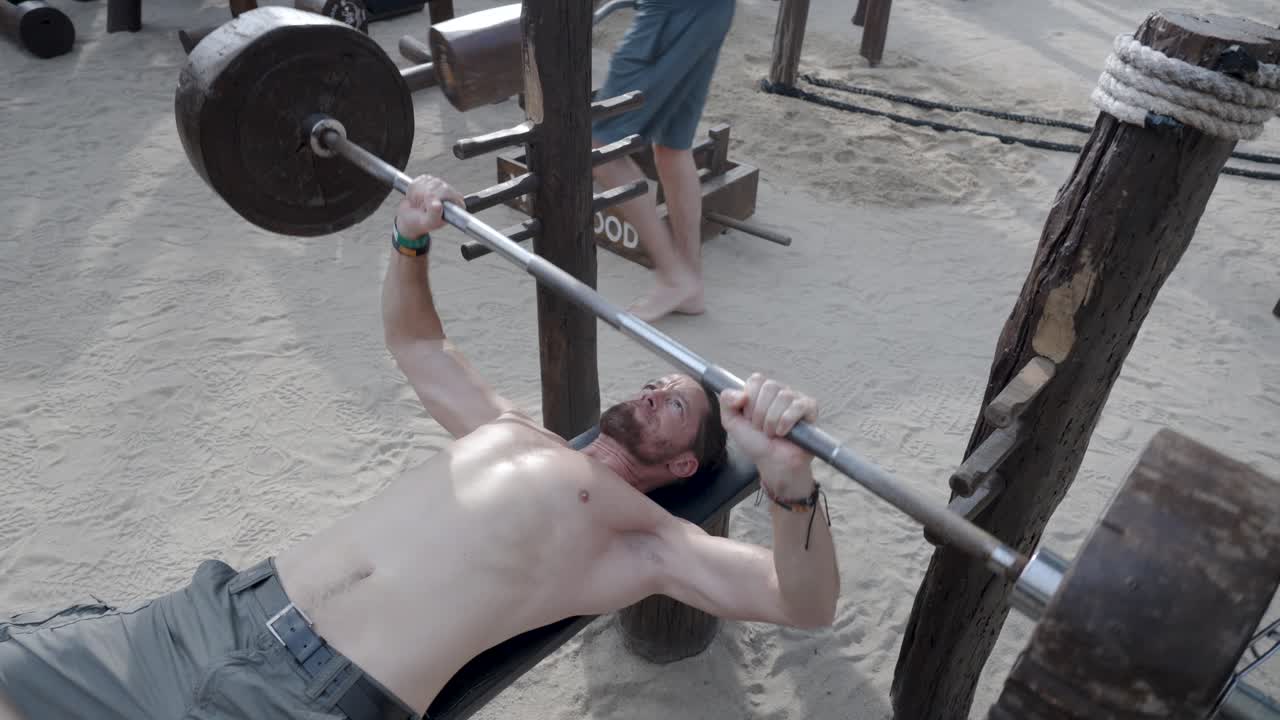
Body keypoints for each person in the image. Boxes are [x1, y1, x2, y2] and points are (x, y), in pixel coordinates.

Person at [0, 176, 839, 720]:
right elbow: (418, 347)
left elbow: (800, 601)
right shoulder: (508, 429)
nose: (654, 391)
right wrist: (409, 239)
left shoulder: (640, 542)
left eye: (676, 407)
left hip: (304, 700)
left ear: (685, 465)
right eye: (657, 384)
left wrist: (787, 481)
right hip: (213, 613)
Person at [591, 0, 736, 322]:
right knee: (672, 145)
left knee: (600, 144)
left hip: (671, 12)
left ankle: (673, 276)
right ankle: (690, 284)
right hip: (710, 11)